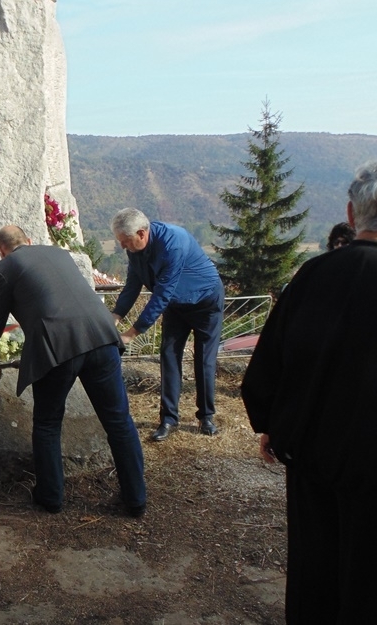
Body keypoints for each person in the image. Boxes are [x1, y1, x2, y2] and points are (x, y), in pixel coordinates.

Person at [241, 161, 377, 624]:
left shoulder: (313, 275)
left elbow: (267, 368)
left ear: (352, 213)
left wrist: (271, 427)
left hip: (314, 458)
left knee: (315, 576)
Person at [0, 225, 146, 516]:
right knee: (118, 421)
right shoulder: (58, 253)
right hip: (102, 336)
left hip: (57, 347)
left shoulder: (2, 269)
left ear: (0, 251)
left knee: (48, 423)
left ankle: (51, 497)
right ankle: (136, 500)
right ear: (29, 241)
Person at [110, 208, 224, 441]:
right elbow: (133, 285)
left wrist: (132, 333)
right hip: (176, 304)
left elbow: (161, 294)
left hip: (205, 302)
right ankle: (169, 419)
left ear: (141, 233)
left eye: (126, 241)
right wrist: (115, 317)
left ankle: (206, 416)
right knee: (169, 355)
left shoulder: (173, 242)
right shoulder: (135, 250)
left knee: (204, 359)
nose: (123, 247)